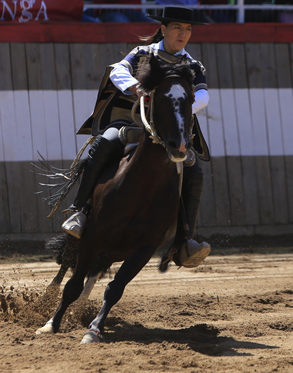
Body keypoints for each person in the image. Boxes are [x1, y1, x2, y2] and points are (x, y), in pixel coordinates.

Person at [63, 6, 212, 268]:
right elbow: (117, 70)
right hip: (132, 119)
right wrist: (137, 88)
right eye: (177, 27)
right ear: (163, 29)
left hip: (169, 130)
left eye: (188, 29)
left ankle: (184, 240)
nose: (184, 33)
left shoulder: (193, 65)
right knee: (104, 143)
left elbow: (203, 96)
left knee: (195, 171)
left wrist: (176, 104)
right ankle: (80, 211)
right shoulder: (143, 54)